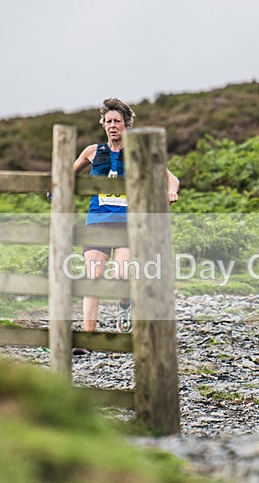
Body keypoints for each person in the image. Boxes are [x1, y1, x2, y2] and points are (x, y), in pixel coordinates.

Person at [72, 98, 179, 349]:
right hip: (97, 222)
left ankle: (124, 303)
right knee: (93, 280)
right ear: (103, 124)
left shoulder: (138, 152)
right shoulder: (93, 152)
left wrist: (171, 192)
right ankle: (88, 338)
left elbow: (171, 179)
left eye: (117, 122)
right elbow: (68, 173)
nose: (112, 126)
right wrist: (56, 190)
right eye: (108, 121)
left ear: (126, 125)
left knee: (122, 276)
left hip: (127, 224)